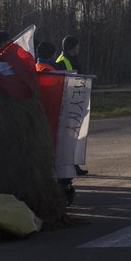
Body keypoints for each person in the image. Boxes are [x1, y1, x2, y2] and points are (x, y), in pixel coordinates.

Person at [55, 35, 88, 176]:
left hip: (76, 101)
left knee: (75, 135)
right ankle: (69, 165)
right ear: (72, 47)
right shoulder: (62, 61)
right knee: (69, 136)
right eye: (77, 45)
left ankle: (75, 164)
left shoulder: (72, 59)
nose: (79, 48)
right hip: (69, 103)